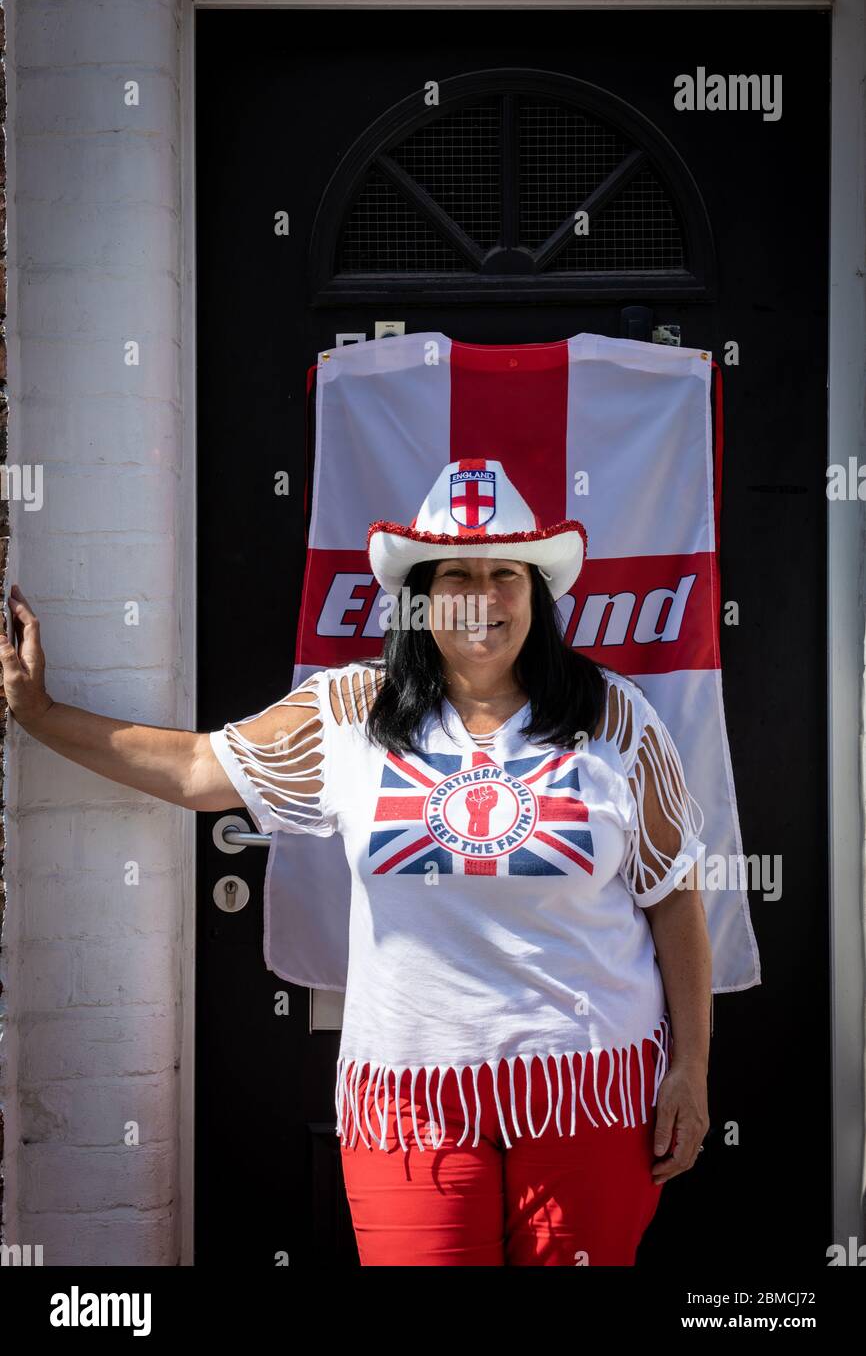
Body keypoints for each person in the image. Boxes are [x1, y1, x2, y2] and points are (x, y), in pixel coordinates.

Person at [0, 456, 712, 1267]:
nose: (482, 596)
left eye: (505, 574)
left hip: (590, 1093)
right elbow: (201, 770)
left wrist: (690, 1068)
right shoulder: (350, 713)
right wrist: (44, 715)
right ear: (418, 594)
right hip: (408, 1102)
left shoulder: (616, 717)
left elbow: (675, 898)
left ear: (536, 594)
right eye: (455, 575)